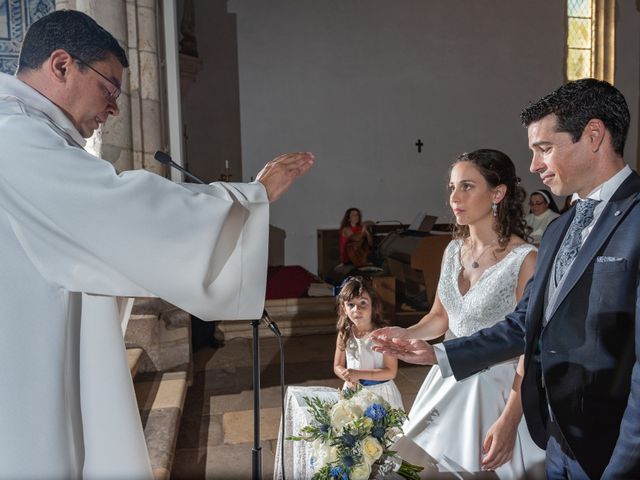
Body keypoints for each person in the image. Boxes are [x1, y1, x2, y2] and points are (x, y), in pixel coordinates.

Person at [0, 10, 314, 479]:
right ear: (62, 65)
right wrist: (252, 196)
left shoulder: (28, 132)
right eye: (109, 88)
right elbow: (118, 210)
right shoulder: (14, 135)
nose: (114, 109)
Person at [372, 78, 639, 479]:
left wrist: (626, 463)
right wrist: (439, 354)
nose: (533, 165)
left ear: (594, 135)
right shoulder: (559, 229)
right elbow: (525, 322)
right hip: (555, 440)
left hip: (611, 445)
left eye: (544, 149)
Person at [374, 149, 543, 477]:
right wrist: (405, 335)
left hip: (496, 395)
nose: (455, 197)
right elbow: (439, 317)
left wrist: (510, 420)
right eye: (452, 187)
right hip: (447, 381)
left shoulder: (526, 259)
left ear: (497, 193)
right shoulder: (453, 251)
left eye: (467, 186)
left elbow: (529, 346)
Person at [333, 276, 403, 409]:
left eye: (363, 303)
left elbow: (391, 372)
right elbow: (337, 365)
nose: (356, 309)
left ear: (373, 305)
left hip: (381, 393)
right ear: (343, 307)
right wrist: (347, 376)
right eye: (350, 305)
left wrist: (358, 374)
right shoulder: (344, 333)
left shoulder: (383, 335)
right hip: (353, 391)